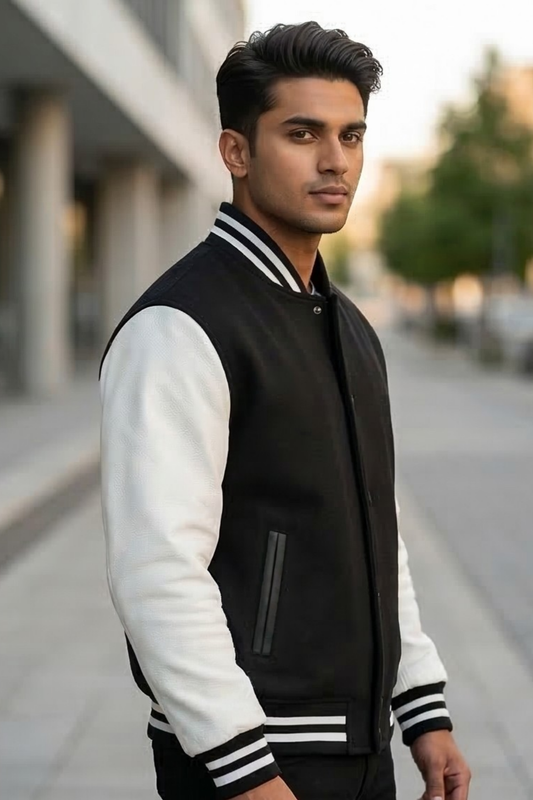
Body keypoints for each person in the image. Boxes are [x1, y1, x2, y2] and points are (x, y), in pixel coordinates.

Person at [99, 21, 471, 800]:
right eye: (302, 134)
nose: (335, 160)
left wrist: (421, 707)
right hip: (253, 763)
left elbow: (375, 530)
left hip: (361, 750)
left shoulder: (349, 327)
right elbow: (157, 573)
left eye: (350, 135)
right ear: (236, 152)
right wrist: (246, 770)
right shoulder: (180, 326)